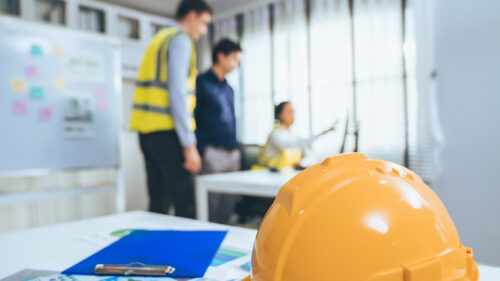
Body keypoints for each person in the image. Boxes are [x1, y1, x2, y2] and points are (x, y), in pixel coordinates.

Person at [129, 0, 212, 218]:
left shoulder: (158, 39)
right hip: (169, 132)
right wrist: (189, 144)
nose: (203, 31)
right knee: (186, 204)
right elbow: (178, 93)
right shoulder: (180, 40)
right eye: (203, 24)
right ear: (192, 16)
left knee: (158, 202)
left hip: (147, 133)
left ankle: (154, 252)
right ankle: (191, 252)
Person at [194, 38, 242, 224]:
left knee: (228, 203)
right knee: (210, 204)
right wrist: (200, 150)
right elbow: (193, 116)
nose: (236, 64)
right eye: (234, 59)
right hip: (211, 152)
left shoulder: (229, 89)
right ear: (220, 56)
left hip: (232, 151)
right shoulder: (201, 82)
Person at [257, 101, 334, 171]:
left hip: (287, 174)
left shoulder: (294, 136)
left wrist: (302, 163)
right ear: (279, 115)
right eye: (289, 112)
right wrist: (321, 134)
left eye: (293, 112)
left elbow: (309, 155)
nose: (292, 115)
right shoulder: (275, 134)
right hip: (268, 173)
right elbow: (290, 144)